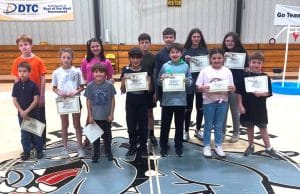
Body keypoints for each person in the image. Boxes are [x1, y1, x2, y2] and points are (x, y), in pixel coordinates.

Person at [237, 52, 280, 159]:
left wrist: (261, 93)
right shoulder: (244, 76)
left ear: (262, 64)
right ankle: (251, 145)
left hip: (260, 108)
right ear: (249, 62)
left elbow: (269, 93)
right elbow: (239, 93)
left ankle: (268, 148)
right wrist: (240, 105)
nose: (256, 65)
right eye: (254, 62)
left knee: (263, 128)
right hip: (247, 107)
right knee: (249, 127)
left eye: (259, 63)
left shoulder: (265, 77)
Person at [196, 48, 235, 158]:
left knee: (219, 125)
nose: (217, 60)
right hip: (208, 102)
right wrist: (203, 88)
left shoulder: (227, 71)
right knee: (208, 125)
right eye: (214, 58)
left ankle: (218, 145)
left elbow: (232, 88)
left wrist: (232, 88)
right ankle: (206, 145)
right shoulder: (205, 71)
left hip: (223, 102)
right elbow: (198, 87)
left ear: (223, 59)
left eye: (219, 58)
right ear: (210, 59)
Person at [10, 34, 47, 147]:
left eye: (26, 44)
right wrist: (16, 96)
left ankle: (41, 143)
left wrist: (41, 96)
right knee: (26, 119)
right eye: (21, 45)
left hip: (36, 95)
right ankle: (29, 143)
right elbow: (17, 79)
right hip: (24, 96)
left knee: (39, 119)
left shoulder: (38, 61)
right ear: (19, 47)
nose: (24, 47)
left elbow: (43, 79)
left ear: (31, 45)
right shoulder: (17, 61)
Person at [158, 43, 192, 157]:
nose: (175, 54)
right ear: (169, 54)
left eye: (177, 52)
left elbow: (190, 80)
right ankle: (163, 145)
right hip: (167, 101)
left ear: (181, 54)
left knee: (179, 125)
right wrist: (161, 80)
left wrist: (187, 81)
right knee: (165, 125)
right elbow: (159, 81)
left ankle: (179, 145)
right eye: (173, 52)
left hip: (181, 101)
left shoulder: (186, 66)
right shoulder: (165, 66)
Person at [52, 48, 85, 158]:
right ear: (60, 58)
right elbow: (54, 88)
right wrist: (60, 92)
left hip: (75, 100)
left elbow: (82, 87)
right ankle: (65, 148)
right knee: (64, 125)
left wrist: (74, 92)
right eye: (64, 57)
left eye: (68, 58)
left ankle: (80, 147)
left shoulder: (77, 71)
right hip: (63, 101)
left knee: (77, 124)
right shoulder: (56, 72)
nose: (66, 59)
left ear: (72, 59)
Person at [121, 47, 151, 157]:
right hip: (131, 102)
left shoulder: (146, 70)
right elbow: (123, 90)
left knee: (143, 126)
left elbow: (149, 89)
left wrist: (148, 82)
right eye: (133, 58)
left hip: (143, 101)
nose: (135, 60)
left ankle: (143, 146)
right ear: (129, 58)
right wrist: (123, 80)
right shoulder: (126, 71)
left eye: (137, 58)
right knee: (131, 126)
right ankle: (133, 145)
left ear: (141, 58)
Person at [84, 64, 116, 163]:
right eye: (96, 72)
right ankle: (96, 153)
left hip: (106, 116)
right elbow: (88, 101)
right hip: (95, 116)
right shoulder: (90, 86)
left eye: (101, 72)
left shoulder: (109, 85)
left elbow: (112, 99)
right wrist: (90, 115)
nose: (99, 74)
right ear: (92, 73)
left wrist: (111, 114)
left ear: (105, 73)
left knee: (107, 135)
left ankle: (108, 151)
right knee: (96, 136)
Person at [12, 62, 43, 160]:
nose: (22, 73)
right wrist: (21, 111)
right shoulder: (16, 85)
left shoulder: (33, 85)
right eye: (20, 71)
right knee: (24, 134)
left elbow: (36, 99)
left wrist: (27, 111)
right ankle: (26, 151)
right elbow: (14, 99)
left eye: (24, 71)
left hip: (33, 114)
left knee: (36, 133)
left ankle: (39, 151)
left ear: (29, 72)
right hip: (22, 115)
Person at [182, 28, 209, 141]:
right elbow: (179, 64)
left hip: (201, 83)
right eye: (194, 37)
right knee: (188, 108)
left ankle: (198, 130)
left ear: (201, 38)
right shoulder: (185, 50)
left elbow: (209, 65)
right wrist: (184, 59)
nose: (196, 39)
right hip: (189, 82)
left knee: (200, 107)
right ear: (190, 38)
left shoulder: (205, 51)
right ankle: (186, 131)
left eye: (198, 37)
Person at [222, 32, 248, 143]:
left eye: (232, 41)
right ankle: (221, 132)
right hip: (222, 86)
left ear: (236, 41)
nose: (229, 43)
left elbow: (246, 69)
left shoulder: (243, 53)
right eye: (227, 41)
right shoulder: (222, 52)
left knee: (235, 111)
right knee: (222, 111)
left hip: (236, 86)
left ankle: (236, 132)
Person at [138, 33, 158, 146]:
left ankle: (151, 134)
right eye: (142, 43)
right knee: (138, 113)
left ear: (150, 44)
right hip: (138, 91)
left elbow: (155, 75)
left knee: (150, 112)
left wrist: (155, 91)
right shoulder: (136, 56)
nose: (144, 45)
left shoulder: (154, 58)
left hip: (150, 91)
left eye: (146, 42)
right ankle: (140, 133)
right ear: (139, 44)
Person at [154, 27, 176, 102]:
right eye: (166, 37)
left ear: (174, 38)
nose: (168, 39)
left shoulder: (180, 53)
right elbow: (157, 73)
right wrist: (156, 90)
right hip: (164, 89)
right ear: (163, 38)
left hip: (177, 87)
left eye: (171, 37)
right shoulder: (159, 54)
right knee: (165, 111)